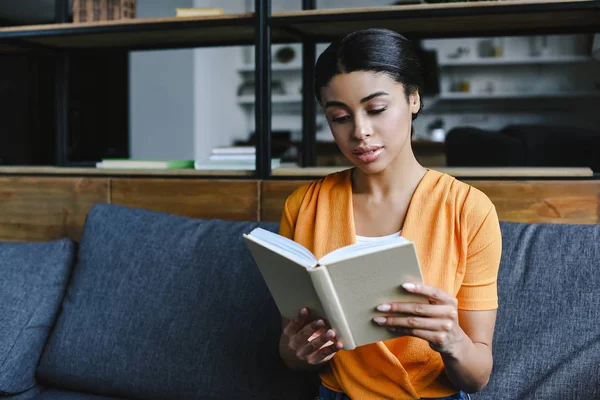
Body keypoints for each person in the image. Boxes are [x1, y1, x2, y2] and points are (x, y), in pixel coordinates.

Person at [277, 28, 502, 400]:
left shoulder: (468, 210)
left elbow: (477, 378)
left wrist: (452, 340)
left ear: (414, 99)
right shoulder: (304, 207)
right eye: (339, 117)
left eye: (377, 109)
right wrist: (301, 352)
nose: (360, 132)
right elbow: (289, 354)